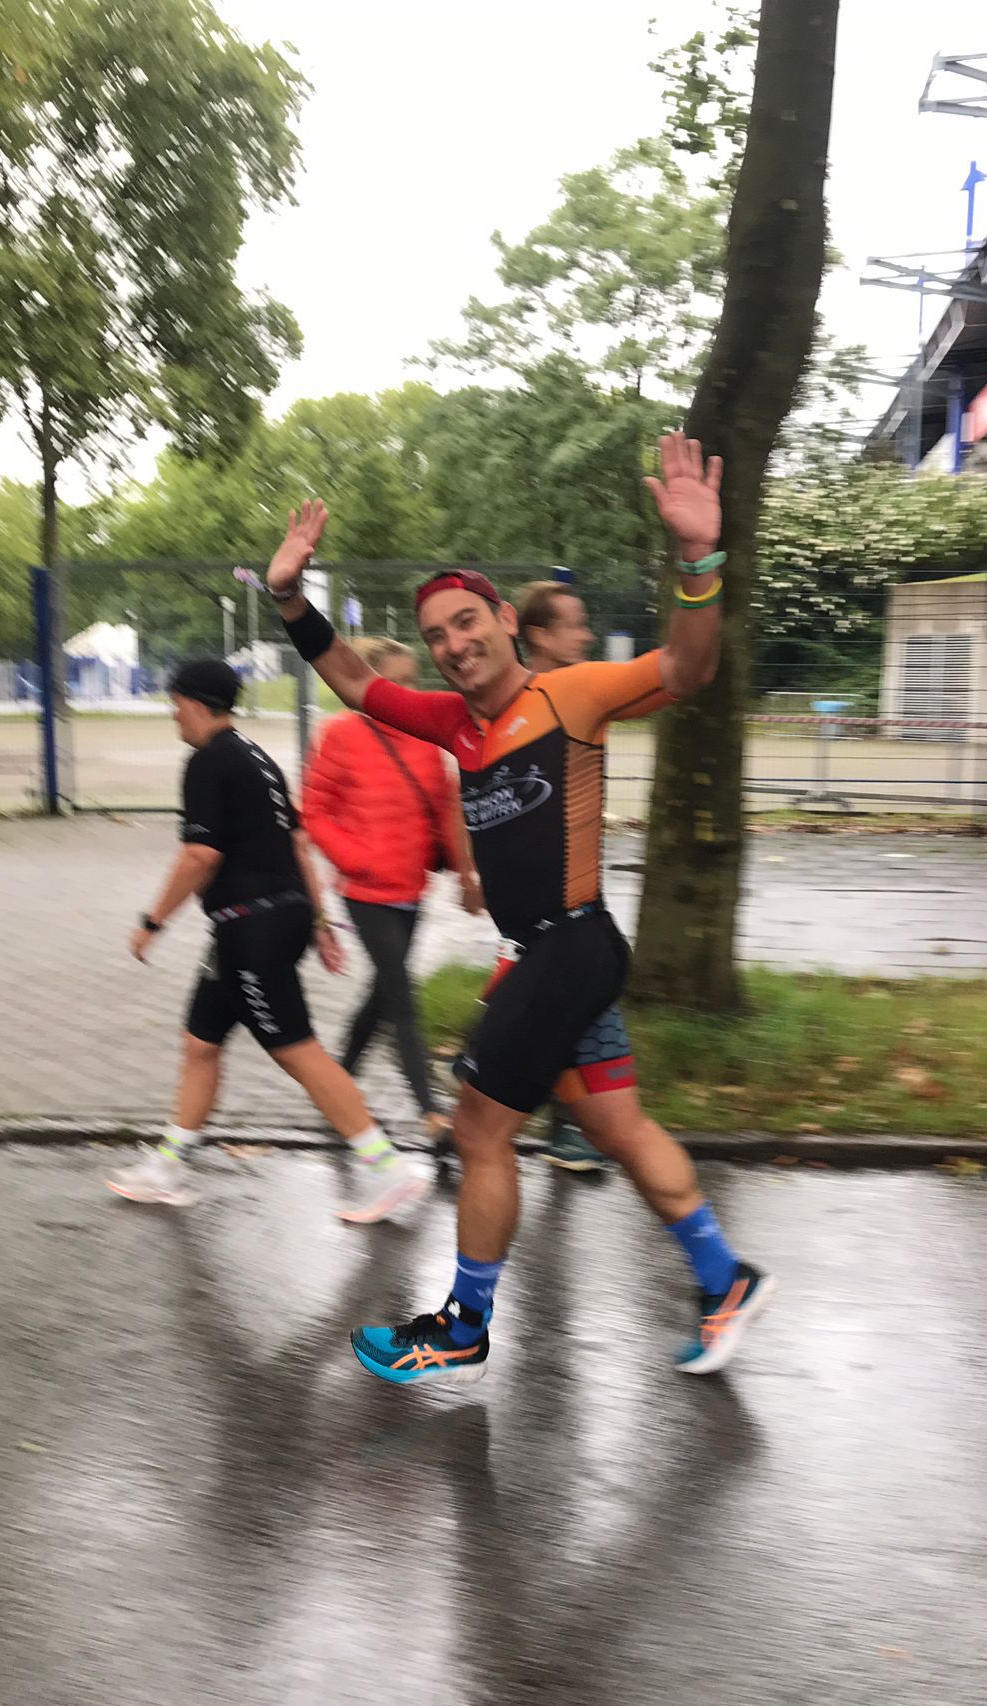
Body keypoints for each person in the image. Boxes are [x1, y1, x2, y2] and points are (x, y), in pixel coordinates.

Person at [263, 433, 773, 1383]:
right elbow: (353, 679)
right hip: (546, 955)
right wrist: (291, 599)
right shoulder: (456, 723)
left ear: (504, 618)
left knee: (480, 1128)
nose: (456, 644)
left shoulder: (568, 694)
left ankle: (463, 1323)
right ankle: (722, 1277)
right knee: (620, 1129)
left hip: (571, 952)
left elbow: (688, 669)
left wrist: (698, 562)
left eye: (469, 622)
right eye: (441, 636)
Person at [105, 656, 427, 1222]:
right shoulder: (257, 758)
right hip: (257, 923)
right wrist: (320, 921)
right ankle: (168, 1166)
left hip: (252, 928)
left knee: (297, 1049)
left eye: (175, 701)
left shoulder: (208, 762)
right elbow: (297, 843)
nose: (172, 713)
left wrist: (152, 921)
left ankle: (388, 1169)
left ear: (198, 703)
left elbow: (201, 854)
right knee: (200, 1042)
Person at [302, 634, 483, 1156]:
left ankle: (337, 1085)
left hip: (411, 888)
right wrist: (356, 860)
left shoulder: (428, 741)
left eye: (413, 679)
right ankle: (431, 1113)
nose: (409, 690)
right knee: (401, 997)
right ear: (369, 684)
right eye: (396, 681)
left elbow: (447, 813)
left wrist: (466, 876)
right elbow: (314, 811)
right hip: (365, 891)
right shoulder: (340, 735)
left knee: (382, 995)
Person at [513, 581, 607, 1178]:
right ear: (540, 636)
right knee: (566, 1013)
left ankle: (562, 1126)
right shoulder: (512, 702)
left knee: (567, 1012)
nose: (588, 634)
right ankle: (566, 1127)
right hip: (539, 903)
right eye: (576, 624)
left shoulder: (581, 693)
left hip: (578, 898)